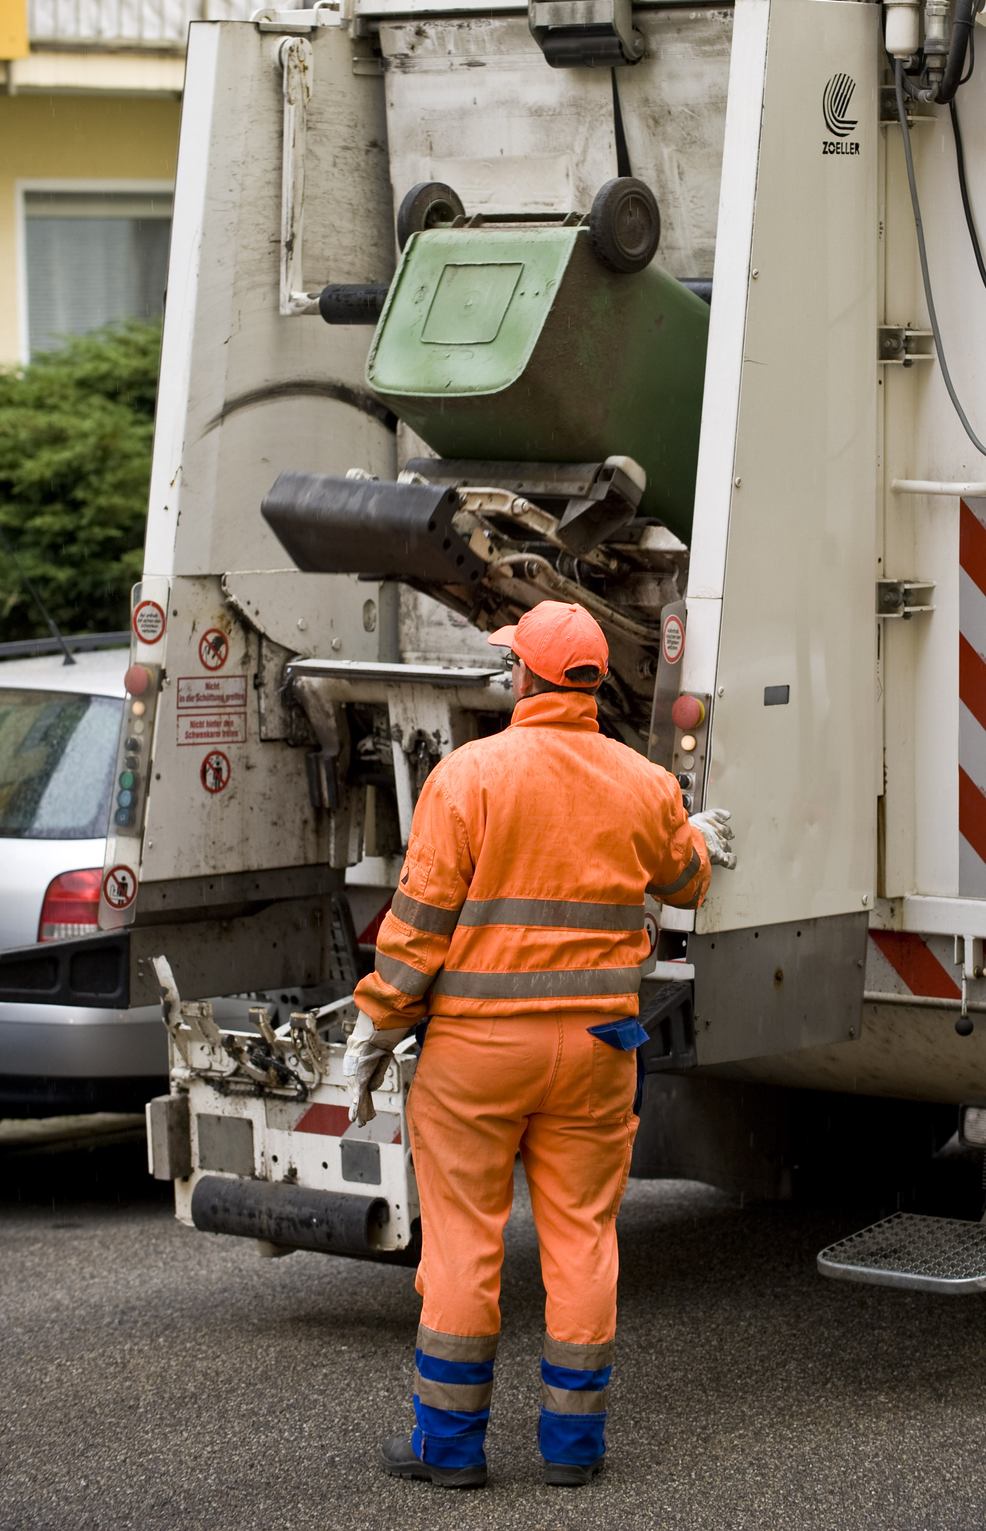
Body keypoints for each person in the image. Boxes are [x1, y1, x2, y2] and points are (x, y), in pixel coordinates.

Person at [343, 599, 735, 1491]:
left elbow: (418, 926)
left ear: (524, 677)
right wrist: (696, 843)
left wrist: (380, 1022)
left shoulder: (469, 776)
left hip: (476, 1059)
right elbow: (684, 883)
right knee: (584, 1240)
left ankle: (448, 1451)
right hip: (598, 1052)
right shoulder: (643, 782)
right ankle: (572, 1449)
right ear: (591, 682)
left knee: (464, 1249)